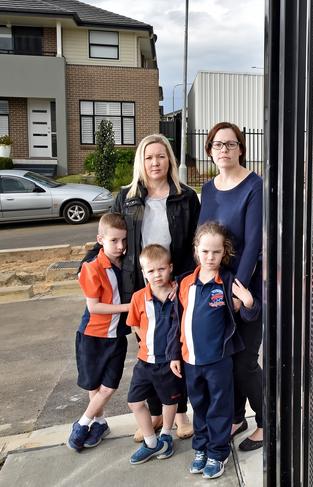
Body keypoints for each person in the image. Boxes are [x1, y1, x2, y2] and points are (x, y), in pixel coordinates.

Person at [83, 134, 199, 440]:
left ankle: (182, 413)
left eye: (161, 156)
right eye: (149, 157)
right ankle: (157, 414)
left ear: (169, 160)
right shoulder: (127, 197)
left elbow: (192, 247)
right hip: (140, 289)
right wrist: (88, 262)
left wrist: (184, 284)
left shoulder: (185, 197)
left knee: (176, 349)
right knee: (148, 351)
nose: (155, 162)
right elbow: (112, 239)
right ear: (141, 162)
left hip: (174, 287)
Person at [171, 222, 259, 479]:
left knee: (219, 408)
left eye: (216, 252)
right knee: (198, 406)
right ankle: (201, 448)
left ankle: (217, 453)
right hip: (190, 360)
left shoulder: (228, 281)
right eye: (205, 251)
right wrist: (174, 354)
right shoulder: (185, 282)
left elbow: (249, 315)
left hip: (218, 361)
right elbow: (176, 322)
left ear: (224, 253)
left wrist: (249, 302)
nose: (210, 257)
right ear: (196, 250)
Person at [198, 122, 264, 451]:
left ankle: (268, 422)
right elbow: (203, 239)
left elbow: (252, 243)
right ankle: (237, 416)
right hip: (216, 286)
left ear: (241, 148)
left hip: (245, 285)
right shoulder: (208, 190)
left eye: (231, 144)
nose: (224, 150)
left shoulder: (254, 186)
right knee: (227, 356)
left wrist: (238, 292)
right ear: (210, 151)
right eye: (218, 145)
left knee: (245, 360)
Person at [68, 213, 131, 452]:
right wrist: (129, 307)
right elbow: (94, 306)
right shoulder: (92, 267)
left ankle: (84, 423)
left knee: (109, 387)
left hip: (116, 337)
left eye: (123, 240)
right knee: (95, 387)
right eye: (114, 241)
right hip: (93, 336)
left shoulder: (125, 263)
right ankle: (97, 423)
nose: (120, 246)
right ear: (100, 239)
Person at [126, 244, 183, 464]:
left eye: (161, 269)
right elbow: (135, 325)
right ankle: (151, 442)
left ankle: (166, 436)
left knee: (170, 400)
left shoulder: (179, 294)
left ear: (170, 268)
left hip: (169, 362)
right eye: (150, 271)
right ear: (143, 273)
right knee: (135, 402)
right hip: (145, 361)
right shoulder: (139, 297)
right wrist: (147, 345)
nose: (156, 275)